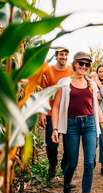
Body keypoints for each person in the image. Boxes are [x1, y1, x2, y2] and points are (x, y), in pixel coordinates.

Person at [51, 51, 103, 193]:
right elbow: (55, 107)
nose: (84, 67)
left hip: (90, 124)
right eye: (81, 64)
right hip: (71, 125)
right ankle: (67, 184)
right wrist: (55, 129)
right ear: (75, 64)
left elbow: (96, 107)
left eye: (87, 65)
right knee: (71, 161)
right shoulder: (64, 83)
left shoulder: (91, 84)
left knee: (90, 161)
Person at [29, 47, 72, 181]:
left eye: (65, 55)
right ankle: (52, 164)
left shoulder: (71, 70)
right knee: (51, 144)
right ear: (56, 56)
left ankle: (65, 165)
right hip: (50, 113)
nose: (63, 57)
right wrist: (42, 113)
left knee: (69, 143)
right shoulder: (48, 70)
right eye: (61, 55)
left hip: (66, 113)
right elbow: (42, 92)